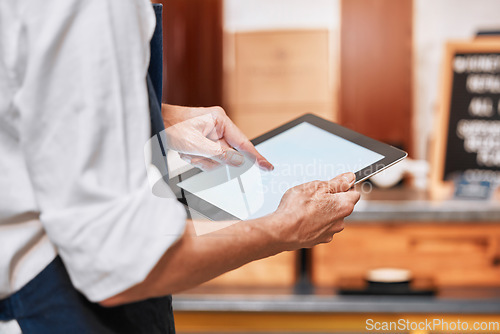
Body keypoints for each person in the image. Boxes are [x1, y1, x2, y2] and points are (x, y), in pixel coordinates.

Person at [0, 0, 360, 333]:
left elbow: (23, 91)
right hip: (56, 312)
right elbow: (122, 261)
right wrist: (285, 227)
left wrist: (155, 118)